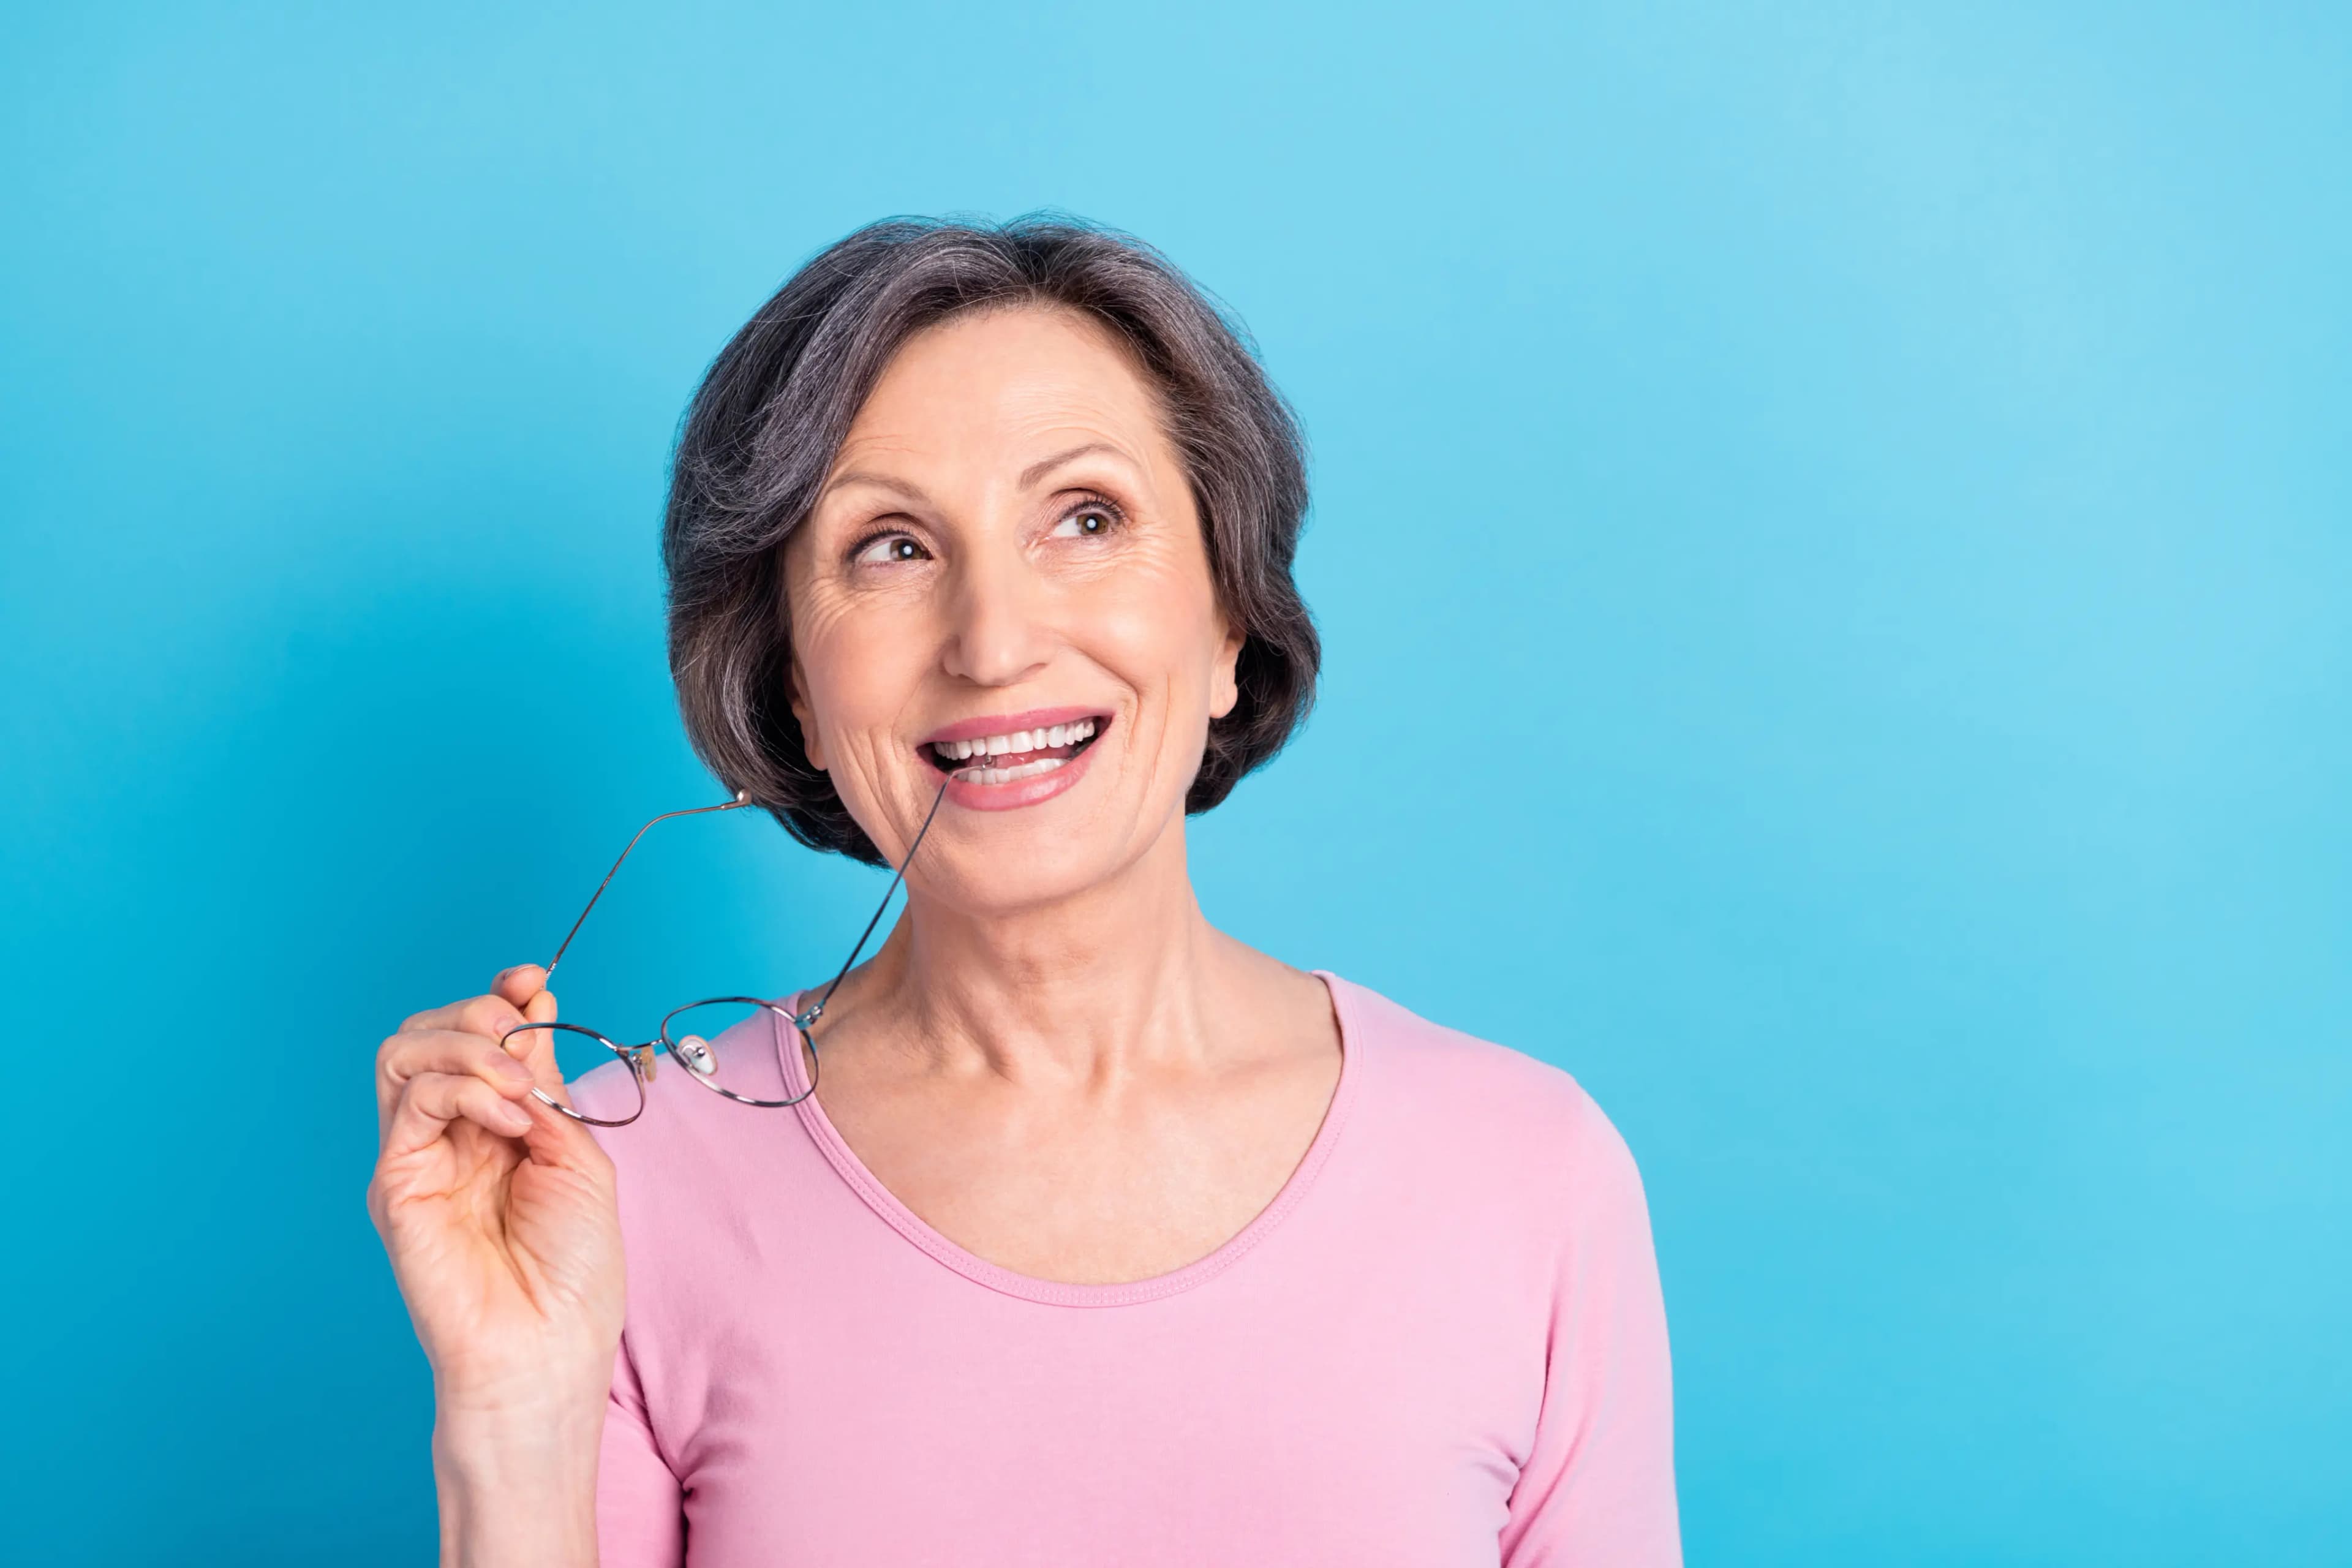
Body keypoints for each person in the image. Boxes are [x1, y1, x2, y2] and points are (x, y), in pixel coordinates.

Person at [367, 215, 1681, 1567]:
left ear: (1229, 620)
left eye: (1087, 517)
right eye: (890, 546)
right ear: (797, 691)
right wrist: (512, 1417)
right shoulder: (607, 1180)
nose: (993, 642)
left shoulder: (1525, 1172)